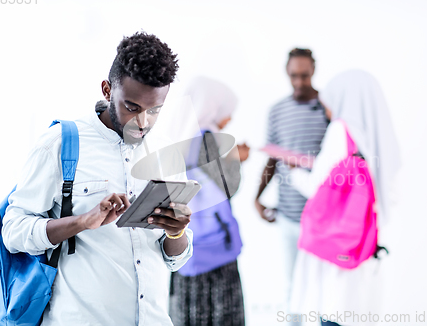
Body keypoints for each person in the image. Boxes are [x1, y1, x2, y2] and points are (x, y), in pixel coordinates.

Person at [1, 32, 194, 326]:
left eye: (155, 110)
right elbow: (13, 231)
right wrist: (82, 222)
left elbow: (175, 261)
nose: (143, 123)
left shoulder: (167, 154)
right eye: (132, 107)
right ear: (107, 89)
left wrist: (176, 233)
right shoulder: (60, 144)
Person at [288, 70, 401, 326]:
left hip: (336, 250)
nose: (328, 112)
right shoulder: (381, 136)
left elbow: (316, 188)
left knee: (333, 314)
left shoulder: (341, 129)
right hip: (366, 246)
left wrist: (293, 172)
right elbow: (389, 197)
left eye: (329, 105)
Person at [169, 76, 249, 326]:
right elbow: (228, 187)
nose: (229, 119)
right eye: (226, 111)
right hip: (215, 246)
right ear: (212, 107)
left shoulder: (178, 134)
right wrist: (235, 158)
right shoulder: (207, 138)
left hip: (185, 240)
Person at [254, 48, 329, 298]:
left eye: (304, 76)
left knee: (323, 291)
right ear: (287, 72)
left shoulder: (328, 108)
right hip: (288, 215)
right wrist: (257, 197)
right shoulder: (277, 111)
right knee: (292, 287)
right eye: (294, 76)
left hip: (323, 217)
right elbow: (272, 159)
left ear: (313, 71)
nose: (298, 82)